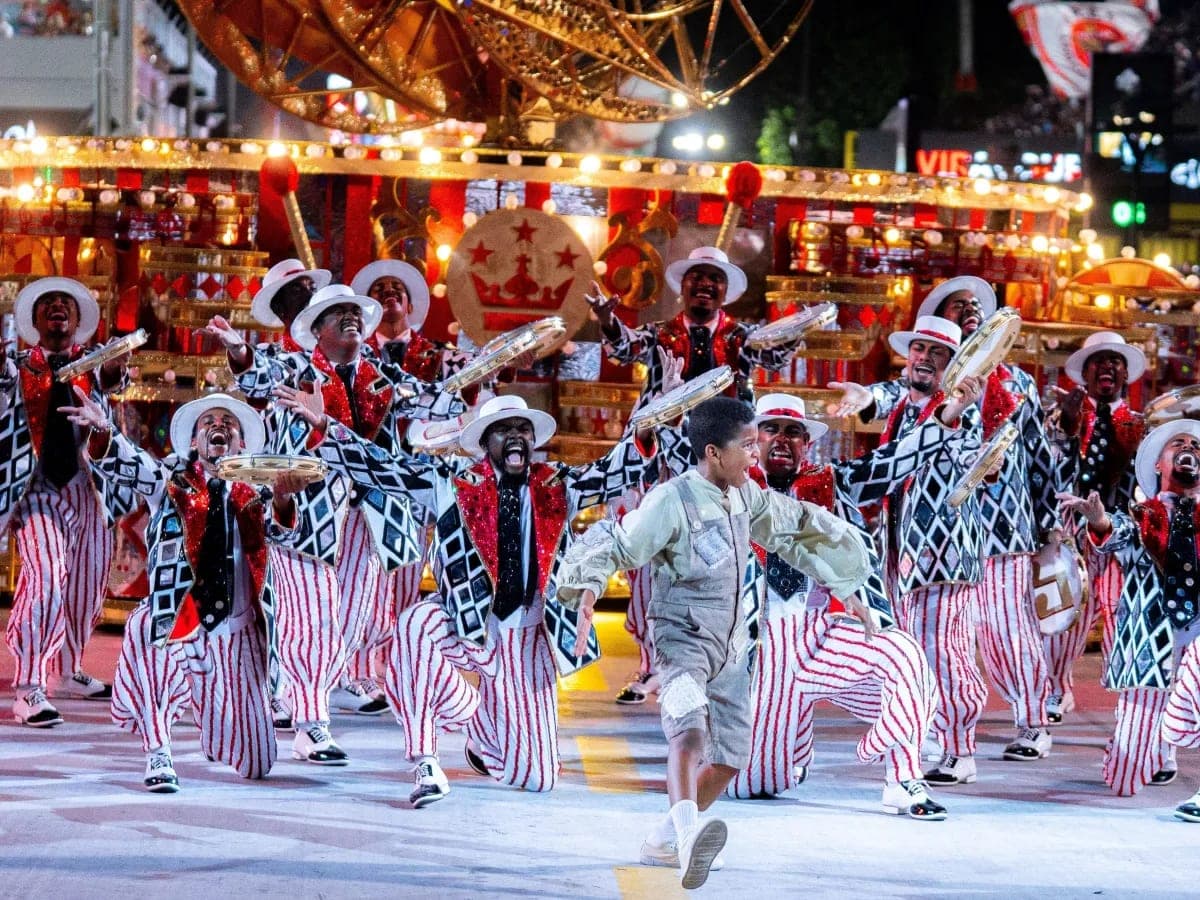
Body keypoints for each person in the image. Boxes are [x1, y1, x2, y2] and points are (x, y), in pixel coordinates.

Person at [287, 389, 673, 808]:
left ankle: (483, 730)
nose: (515, 437)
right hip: (466, 627)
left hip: (528, 638)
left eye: (522, 430)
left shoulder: (557, 484)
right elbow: (383, 467)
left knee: (536, 777)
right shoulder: (449, 483)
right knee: (416, 625)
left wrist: (649, 425)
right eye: (504, 430)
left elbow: (614, 471)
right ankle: (426, 759)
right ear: (485, 442)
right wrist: (328, 428)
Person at [556, 396, 871, 889]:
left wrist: (846, 585)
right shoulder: (671, 500)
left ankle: (663, 839)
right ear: (712, 452)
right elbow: (619, 543)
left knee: (730, 757)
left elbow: (798, 529)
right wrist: (589, 590)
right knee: (689, 734)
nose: (755, 455)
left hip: (732, 647)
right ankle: (687, 846)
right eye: (746, 446)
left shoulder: (746, 496)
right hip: (682, 640)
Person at [207, 283, 463, 765]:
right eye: (337, 314)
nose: (350, 319)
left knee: (349, 624)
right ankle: (311, 724)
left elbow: (435, 403)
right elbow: (257, 378)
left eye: (354, 313)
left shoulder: (384, 376)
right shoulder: (296, 367)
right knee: (312, 616)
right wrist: (239, 350)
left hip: (368, 520)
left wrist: (475, 376)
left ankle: (291, 690)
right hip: (304, 512)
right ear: (316, 329)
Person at [831, 277, 1061, 761]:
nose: (972, 311)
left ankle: (1033, 718)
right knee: (930, 636)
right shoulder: (924, 385)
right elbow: (894, 394)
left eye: (977, 306)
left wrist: (1049, 527)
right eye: (959, 307)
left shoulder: (1016, 383)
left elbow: (1040, 455)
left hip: (1006, 525)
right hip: (936, 535)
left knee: (1004, 628)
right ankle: (936, 726)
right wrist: (865, 398)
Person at [726, 389, 981, 819]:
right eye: (771, 430)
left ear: (807, 443)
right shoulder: (729, 489)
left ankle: (903, 781)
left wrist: (949, 414)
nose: (783, 440)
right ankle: (791, 754)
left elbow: (896, 458)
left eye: (794, 432)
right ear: (753, 440)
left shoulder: (833, 481)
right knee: (754, 786)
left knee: (904, 656)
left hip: (823, 629)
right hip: (762, 644)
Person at [63, 389, 305, 792]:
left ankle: (213, 716)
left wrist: (282, 500)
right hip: (179, 621)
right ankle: (158, 748)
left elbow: (281, 534)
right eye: (208, 422)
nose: (219, 428)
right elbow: (129, 464)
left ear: (240, 442)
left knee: (258, 763)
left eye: (228, 424)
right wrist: (105, 429)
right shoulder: (169, 479)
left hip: (236, 630)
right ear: (195, 440)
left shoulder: (256, 488)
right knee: (145, 625)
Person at [0, 277, 128, 725]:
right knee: (48, 577)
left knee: (86, 586)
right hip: (36, 487)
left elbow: (112, 383)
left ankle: (67, 667)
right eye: (48, 304)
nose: (57, 308)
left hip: (88, 486)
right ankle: (30, 685)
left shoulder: (92, 365)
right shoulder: (18, 366)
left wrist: (115, 365)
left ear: (76, 321)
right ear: (35, 321)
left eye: (65, 305)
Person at [1060, 419, 1200, 796]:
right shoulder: (1143, 517)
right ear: (1159, 463)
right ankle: (1146, 749)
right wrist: (1099, 520)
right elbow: (1113, 532)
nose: (1190, 448)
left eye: (1195, 444)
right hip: (1154, 638)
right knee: (1125, 777)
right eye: (1179, 444)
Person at [1046, 331, 1147, 725]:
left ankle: (1128, 696)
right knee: (1065, 615)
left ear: (1125, 374)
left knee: (1121, 613)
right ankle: (1056, 688)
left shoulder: (1139, 423)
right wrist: (1066, 430)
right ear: (1085, 372)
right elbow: (1050, 471)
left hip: (1119, 529)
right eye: (1098, 361)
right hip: (1071, 530)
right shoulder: (1063, 414)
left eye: (1115, 361)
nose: (1108, 367)